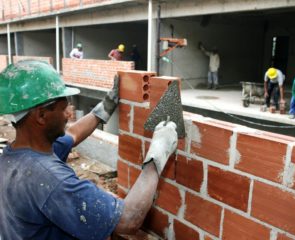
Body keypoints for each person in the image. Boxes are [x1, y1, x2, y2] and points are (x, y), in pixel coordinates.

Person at [0, 60, 178, 239]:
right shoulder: (52, 179)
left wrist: (105, 107)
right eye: (63, 109)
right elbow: (127, 220)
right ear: (41, 115)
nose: (69, 114)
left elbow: (73, 134)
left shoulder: (13, 157)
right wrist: (158, 152)